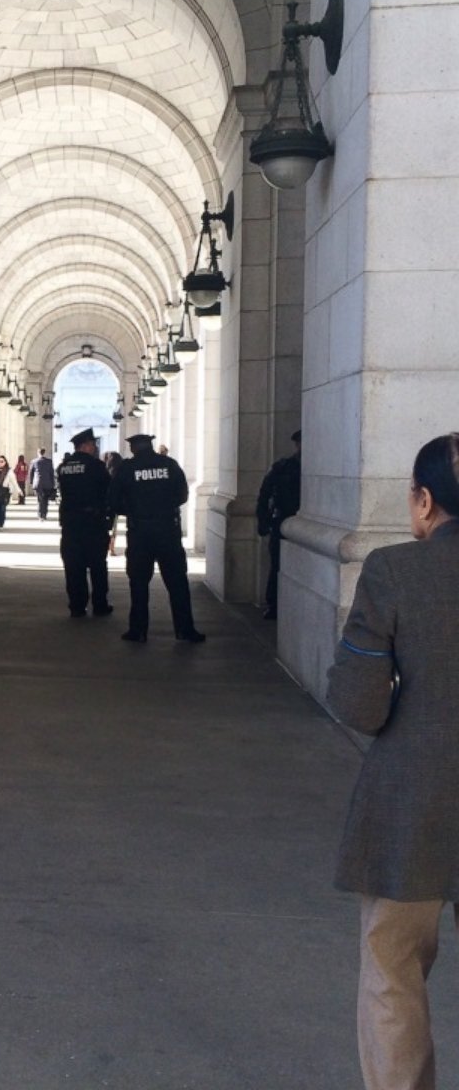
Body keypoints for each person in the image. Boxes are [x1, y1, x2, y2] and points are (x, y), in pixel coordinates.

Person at [326, 433, 459, 1090]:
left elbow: (359, 705)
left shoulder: (394, 571)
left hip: (414, 800)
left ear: (425, 501)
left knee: (393, 974)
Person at [108, 433, 205, 643]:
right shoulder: (169, 465)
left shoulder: (127, 469)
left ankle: (138, 630)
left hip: (140, 532)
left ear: (134, 448)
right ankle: (185, 629)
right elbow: (182, 495)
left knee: (139, 583)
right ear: (150, 446)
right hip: (168, 531)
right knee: (177, 581)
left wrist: (134, 511)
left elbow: (113, 500)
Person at [56, 428, 113, 618]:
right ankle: (100, 604)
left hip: (71, 524)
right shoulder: (96, 466)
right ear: (86, 445)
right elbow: (107, 492)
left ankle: (77, 606)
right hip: (93, 523)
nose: (95, 447)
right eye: (93, 444)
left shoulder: (63, 467)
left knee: (73, 567)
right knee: (97, 566)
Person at [256, 429, 302, 620]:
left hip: (295, 522)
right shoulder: (282, 467)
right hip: (282, 522)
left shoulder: (317, 467)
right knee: (277, 565)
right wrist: (263, 520)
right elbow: (264, 494)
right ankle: (273, 604)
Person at [28, 447, 56, 520]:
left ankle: (40, 515)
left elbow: (31, 473)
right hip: (47, 483)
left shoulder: (34, 461)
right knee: (46, 500)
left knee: (40, 500)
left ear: (38, 452)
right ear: (44, 452)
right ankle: (44, 514)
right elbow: (51, 473)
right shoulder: (49, 461)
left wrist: (31, 482)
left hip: (38, 483)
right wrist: (53, 484)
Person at [104, 451, 123, 556]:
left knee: (105, 526)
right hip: (115, 505)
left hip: (104, 504)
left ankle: (106, 544)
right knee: (114, 526)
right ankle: (111, 547)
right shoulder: (119, 474)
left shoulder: (103, 472)